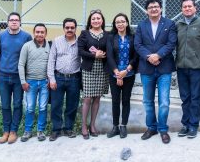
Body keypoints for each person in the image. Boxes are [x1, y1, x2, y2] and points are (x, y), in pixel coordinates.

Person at [134, 0, 177, 144]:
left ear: (161, 8)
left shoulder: (170, 24)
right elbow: (138, 44)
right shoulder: (141, 25)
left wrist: (158, 55)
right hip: (147, 68)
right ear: (147, 10)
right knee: (147, 101)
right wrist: (149, 57)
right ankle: (151, 127)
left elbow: (171, 43)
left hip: (164, 68)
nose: (153, 9)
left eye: (156, 6)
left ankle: (163, 129)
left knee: (164, 101)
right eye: (151, 7)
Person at [176, 0, 200, 139]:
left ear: (195, 8)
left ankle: (193, 125)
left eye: (190, 6)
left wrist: (199, 59)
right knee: (185, 97)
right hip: (181, 67)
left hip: (197, 68)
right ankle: (185, 124)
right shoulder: (178, 25)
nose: (187, 8)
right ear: (181, 9)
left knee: (196, 97)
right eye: (184, 7)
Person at [0, 12, 32, 144]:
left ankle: (13, 131)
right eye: (11, 20)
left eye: (16, 20)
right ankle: (6, 131)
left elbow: (29, 55)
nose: (14, 22)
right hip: (4, 76)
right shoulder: (1, 36)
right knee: (5, 105)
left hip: (19, 77)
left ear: (20, 22)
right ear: (8, 22)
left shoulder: (26, 36)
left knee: (17, 104)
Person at [47, 18, 81, 141]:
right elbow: (51, 60)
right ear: (64, 28)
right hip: (58, 78)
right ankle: (56, 129)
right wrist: (51, 78)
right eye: (67, 27)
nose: (69, 30)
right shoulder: (57, 41)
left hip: (74, 78)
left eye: (72, 27)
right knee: (56, 105)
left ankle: (68, 128)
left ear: (75, 28)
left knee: (72, 105)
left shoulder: (80, 42)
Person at [106, 13, 138, 139]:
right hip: (114, 74)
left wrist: (127, 69)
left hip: (129, 73)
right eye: (117, 22)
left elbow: (136, 56)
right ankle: (115, 127)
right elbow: (109, 55)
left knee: (126, 100)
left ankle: (123, 125)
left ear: (127, 23)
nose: (120, 24)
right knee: (115, 100)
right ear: (115, 24)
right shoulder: (110, 37)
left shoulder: (133, 37)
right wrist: (117, 73)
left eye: (122, 21)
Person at [78, 9, 108, 139]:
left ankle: (93, 125)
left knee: (97, 97)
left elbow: (111, 50)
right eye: (93, 18)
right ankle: (84, 125)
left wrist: (104, 55)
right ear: (90, 21)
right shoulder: (84, 34)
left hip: (102, 69)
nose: (96, 20)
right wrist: (94, 55)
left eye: (98, 18)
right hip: (89, 69)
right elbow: (80, 50)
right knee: (87, 97)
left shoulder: (108, 34)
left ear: (102, 20)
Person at [18, 23, 50, 142]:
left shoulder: (49, 46)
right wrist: (23, 81)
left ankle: (40, 130)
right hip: (30, 82)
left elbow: (52, 64)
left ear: (45, 33)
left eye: (42, 32)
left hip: (44, 83)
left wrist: (50, 79)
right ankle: (28, 131)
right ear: (34, 32)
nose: (40, 34)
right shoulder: (27, 46)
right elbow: (21, 64)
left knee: (42, 107)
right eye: (37, 32)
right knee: (30, 107)